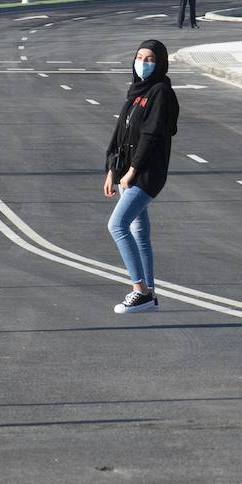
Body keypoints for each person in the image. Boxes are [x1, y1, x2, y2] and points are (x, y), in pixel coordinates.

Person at [103, 39, 179, 314]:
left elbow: (151, 135)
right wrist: (112, 170)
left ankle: (140, 291)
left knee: (117, 225)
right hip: (125, 171)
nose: (144, 63)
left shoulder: (160, 92)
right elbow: (121, 135)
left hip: (146, 172)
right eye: (140, 57)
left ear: (160, 63)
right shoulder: (136, 92)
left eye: (150, 59)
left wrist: (133, 171)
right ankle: (150, 294)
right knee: (138, 231)